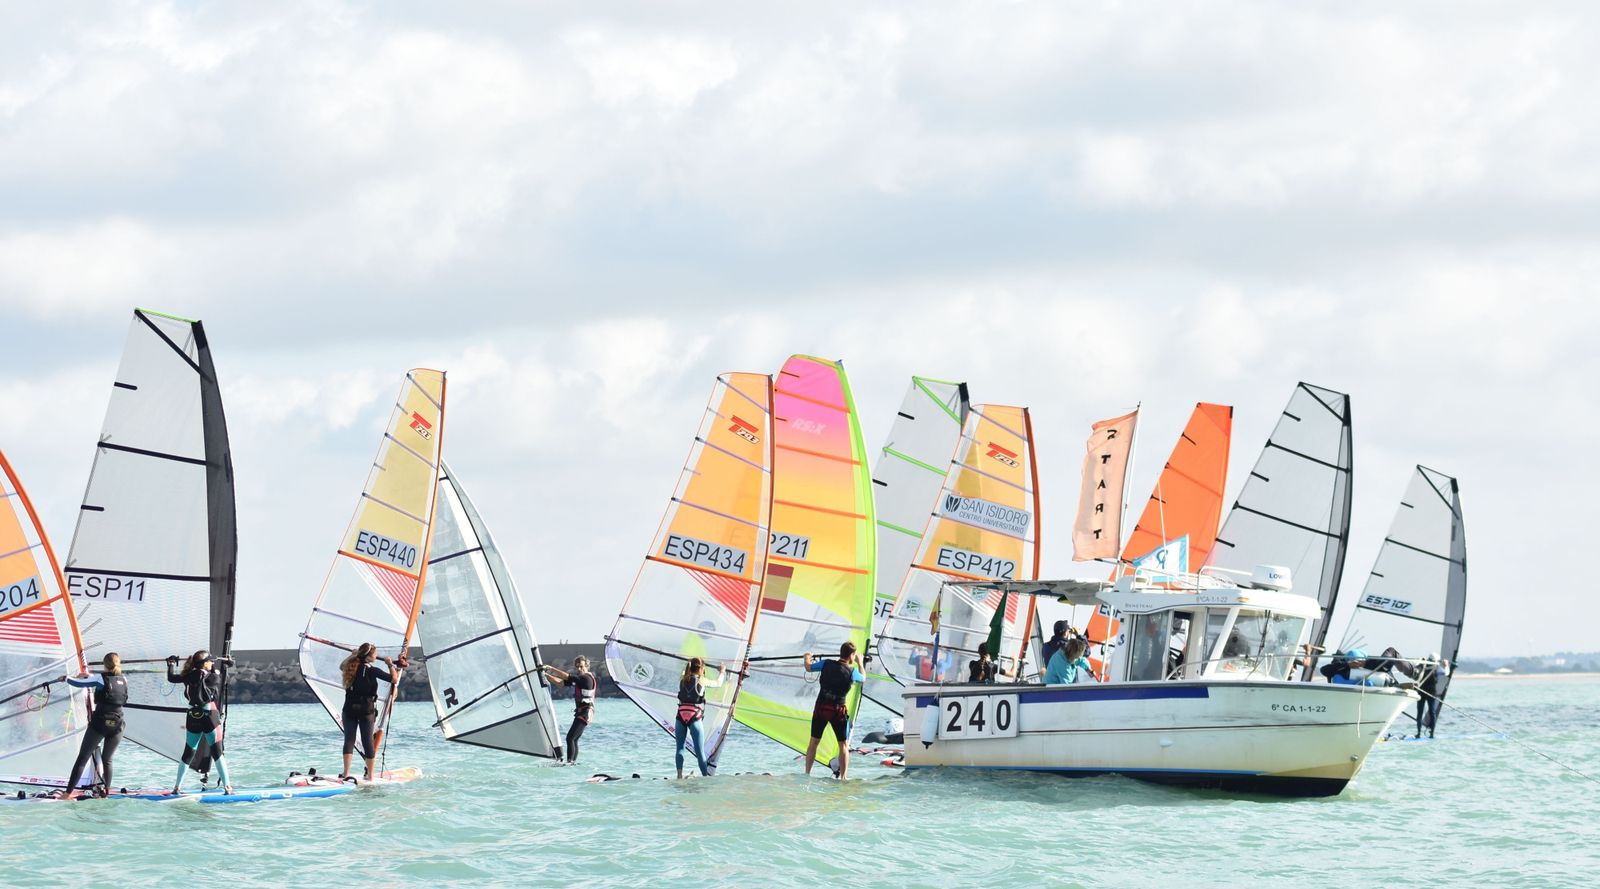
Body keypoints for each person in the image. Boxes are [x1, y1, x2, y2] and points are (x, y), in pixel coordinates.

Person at [60, 652, 129, 799]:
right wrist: (88, 675)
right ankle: (107, 791)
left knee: (83, 758)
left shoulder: (100, 678)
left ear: (105, 664)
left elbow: (79, 684)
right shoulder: (124, 679)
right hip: (117, 726)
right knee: (108, 760)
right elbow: (104, 681)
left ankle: (67, 794)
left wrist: (66, 678)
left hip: (100, 724)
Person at [167, 649, 234, 794]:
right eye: (210, 661)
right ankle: (227, 787)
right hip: (209, 717)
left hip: (193, 717)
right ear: (204, 664)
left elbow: (171, 678)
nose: (212, 663)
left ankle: (177, 787)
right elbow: (219, 675)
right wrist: (228, 664)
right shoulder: (213, 677)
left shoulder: (188, 676)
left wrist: (171, 664)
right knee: (217, 753)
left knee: (188, 753)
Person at [338, 642, 406, 781]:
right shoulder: (372, 670)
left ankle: (346, 774)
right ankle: (370, 777)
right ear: (369, 656)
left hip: (349, 709)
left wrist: (352, 655)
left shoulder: (351, 666)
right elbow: (393, 679)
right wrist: (390, 664)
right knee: (368, 742)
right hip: (366, 711)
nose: (376, 656)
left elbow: (341, 666)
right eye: (375, 654)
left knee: (349, 740)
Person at [802, 642, 864, 779]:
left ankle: (807, 773)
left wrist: (807, 657)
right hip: (838, 712)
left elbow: (808, 667)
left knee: (813, 742)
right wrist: (860, 663)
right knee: (843, 746)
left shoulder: (826, 664)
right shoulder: (853, 672)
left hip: (821, 709)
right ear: (851, 655)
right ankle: (843, 777)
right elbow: (863, 678)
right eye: (854, 655)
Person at [674, 657, 725, 778]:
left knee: (680, 748)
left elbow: (684, 670)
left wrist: (688, 663)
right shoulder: (702, 681)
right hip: (694, 716)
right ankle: (705, 777)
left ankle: (679, 776)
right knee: (700, 752)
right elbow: (718, 683)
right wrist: (722, 671)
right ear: (701, 669)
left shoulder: (682, 679)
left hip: (680, 715)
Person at [543, 656, 596, 763]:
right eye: (577, 667)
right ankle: (572, 762)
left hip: (585, 712)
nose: (579, 669)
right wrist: (545, 676)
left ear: (586, 666)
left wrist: (551, 669)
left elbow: (567, 676)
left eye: (581, 666)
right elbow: (560, 683)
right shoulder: (579, 680)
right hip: (582, 713)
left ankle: (570, 762)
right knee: (573, 739)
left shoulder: (586, 679)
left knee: (570, 738)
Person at [1416, 655, 1448, 737]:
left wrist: (1446, 665)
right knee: (1430, 712)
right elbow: (1446, 673)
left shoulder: (1429, 666)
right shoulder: (1430, 666)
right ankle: (1428, 733)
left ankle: (1423, 733)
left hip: (1426, 692)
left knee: (1425, 713)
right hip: (1426, 692)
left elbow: (1445, 673)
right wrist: (1446, 665)